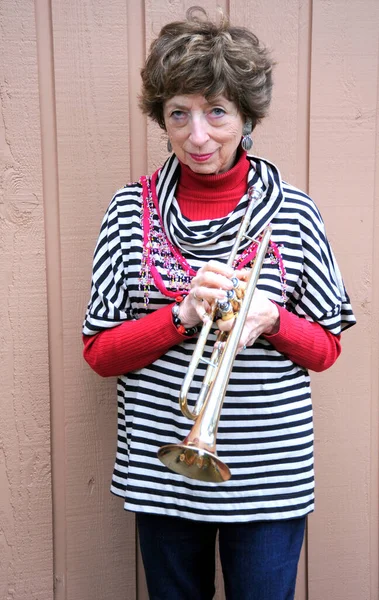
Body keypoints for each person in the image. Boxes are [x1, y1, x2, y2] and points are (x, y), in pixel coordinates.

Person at [82, 7, 356, 600]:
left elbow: (327, 347)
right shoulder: (129, 211)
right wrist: (179, 317)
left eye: (216, 112)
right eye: (178, 113)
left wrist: (274, 320)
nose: (197, 135)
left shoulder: (294, 213)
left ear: (246, 116)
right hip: (161, 470)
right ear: (161, 116)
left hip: (268, 479)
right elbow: (100, 354)